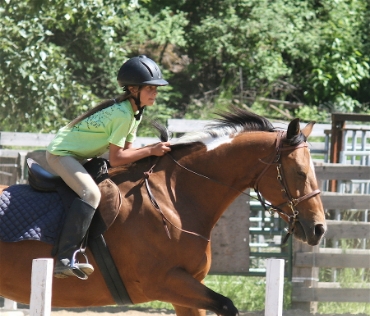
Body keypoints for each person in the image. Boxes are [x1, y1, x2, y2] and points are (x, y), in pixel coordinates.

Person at [46, 55, 171, 279]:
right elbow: (116, 158)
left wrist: (150, 153)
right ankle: (65, 258)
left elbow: (128, 154)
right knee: (91, 193)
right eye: (150, 88)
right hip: (61, 154)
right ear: (134, 89)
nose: (155, 93)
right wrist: (151, 150)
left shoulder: (134, 113)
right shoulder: (123, 114)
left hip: (80, 155)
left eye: (156, 89)